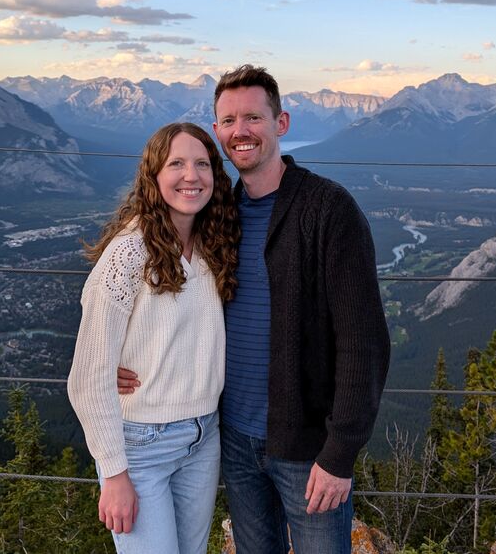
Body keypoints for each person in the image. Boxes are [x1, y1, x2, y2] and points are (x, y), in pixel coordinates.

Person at [120, 65, 390, 554]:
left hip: (309, 453)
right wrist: (118, 361)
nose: (239, 131)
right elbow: (173, 303)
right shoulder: (215, 215)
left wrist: (340, 453)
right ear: (217, 131)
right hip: (231, 442)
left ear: (281, 123)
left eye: (252, 118)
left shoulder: (329, 210)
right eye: (227, 121)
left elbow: (363, 342)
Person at [68, 122, 239, 554]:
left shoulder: (210, 242)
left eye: (202, 164)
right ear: (154, 175)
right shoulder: (129, 252)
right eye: (176, 163)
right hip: (141, 446)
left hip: (204, 436)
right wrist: (114, 474)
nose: (191, 175)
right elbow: (87, 378)